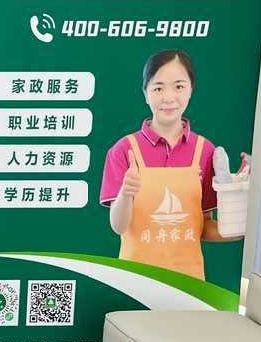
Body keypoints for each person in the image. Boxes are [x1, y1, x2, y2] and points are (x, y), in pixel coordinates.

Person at [101, 49, 238, 280]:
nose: (169, 97)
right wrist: (125, 193)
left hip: (189, 284)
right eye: (158, 88)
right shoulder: (124, 149)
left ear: (191, 90)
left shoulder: (205, 150)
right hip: (135, 281)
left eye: (179, 86)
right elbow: (118, 226)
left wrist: (237, 230)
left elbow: (204, 226)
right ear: (145, 93)